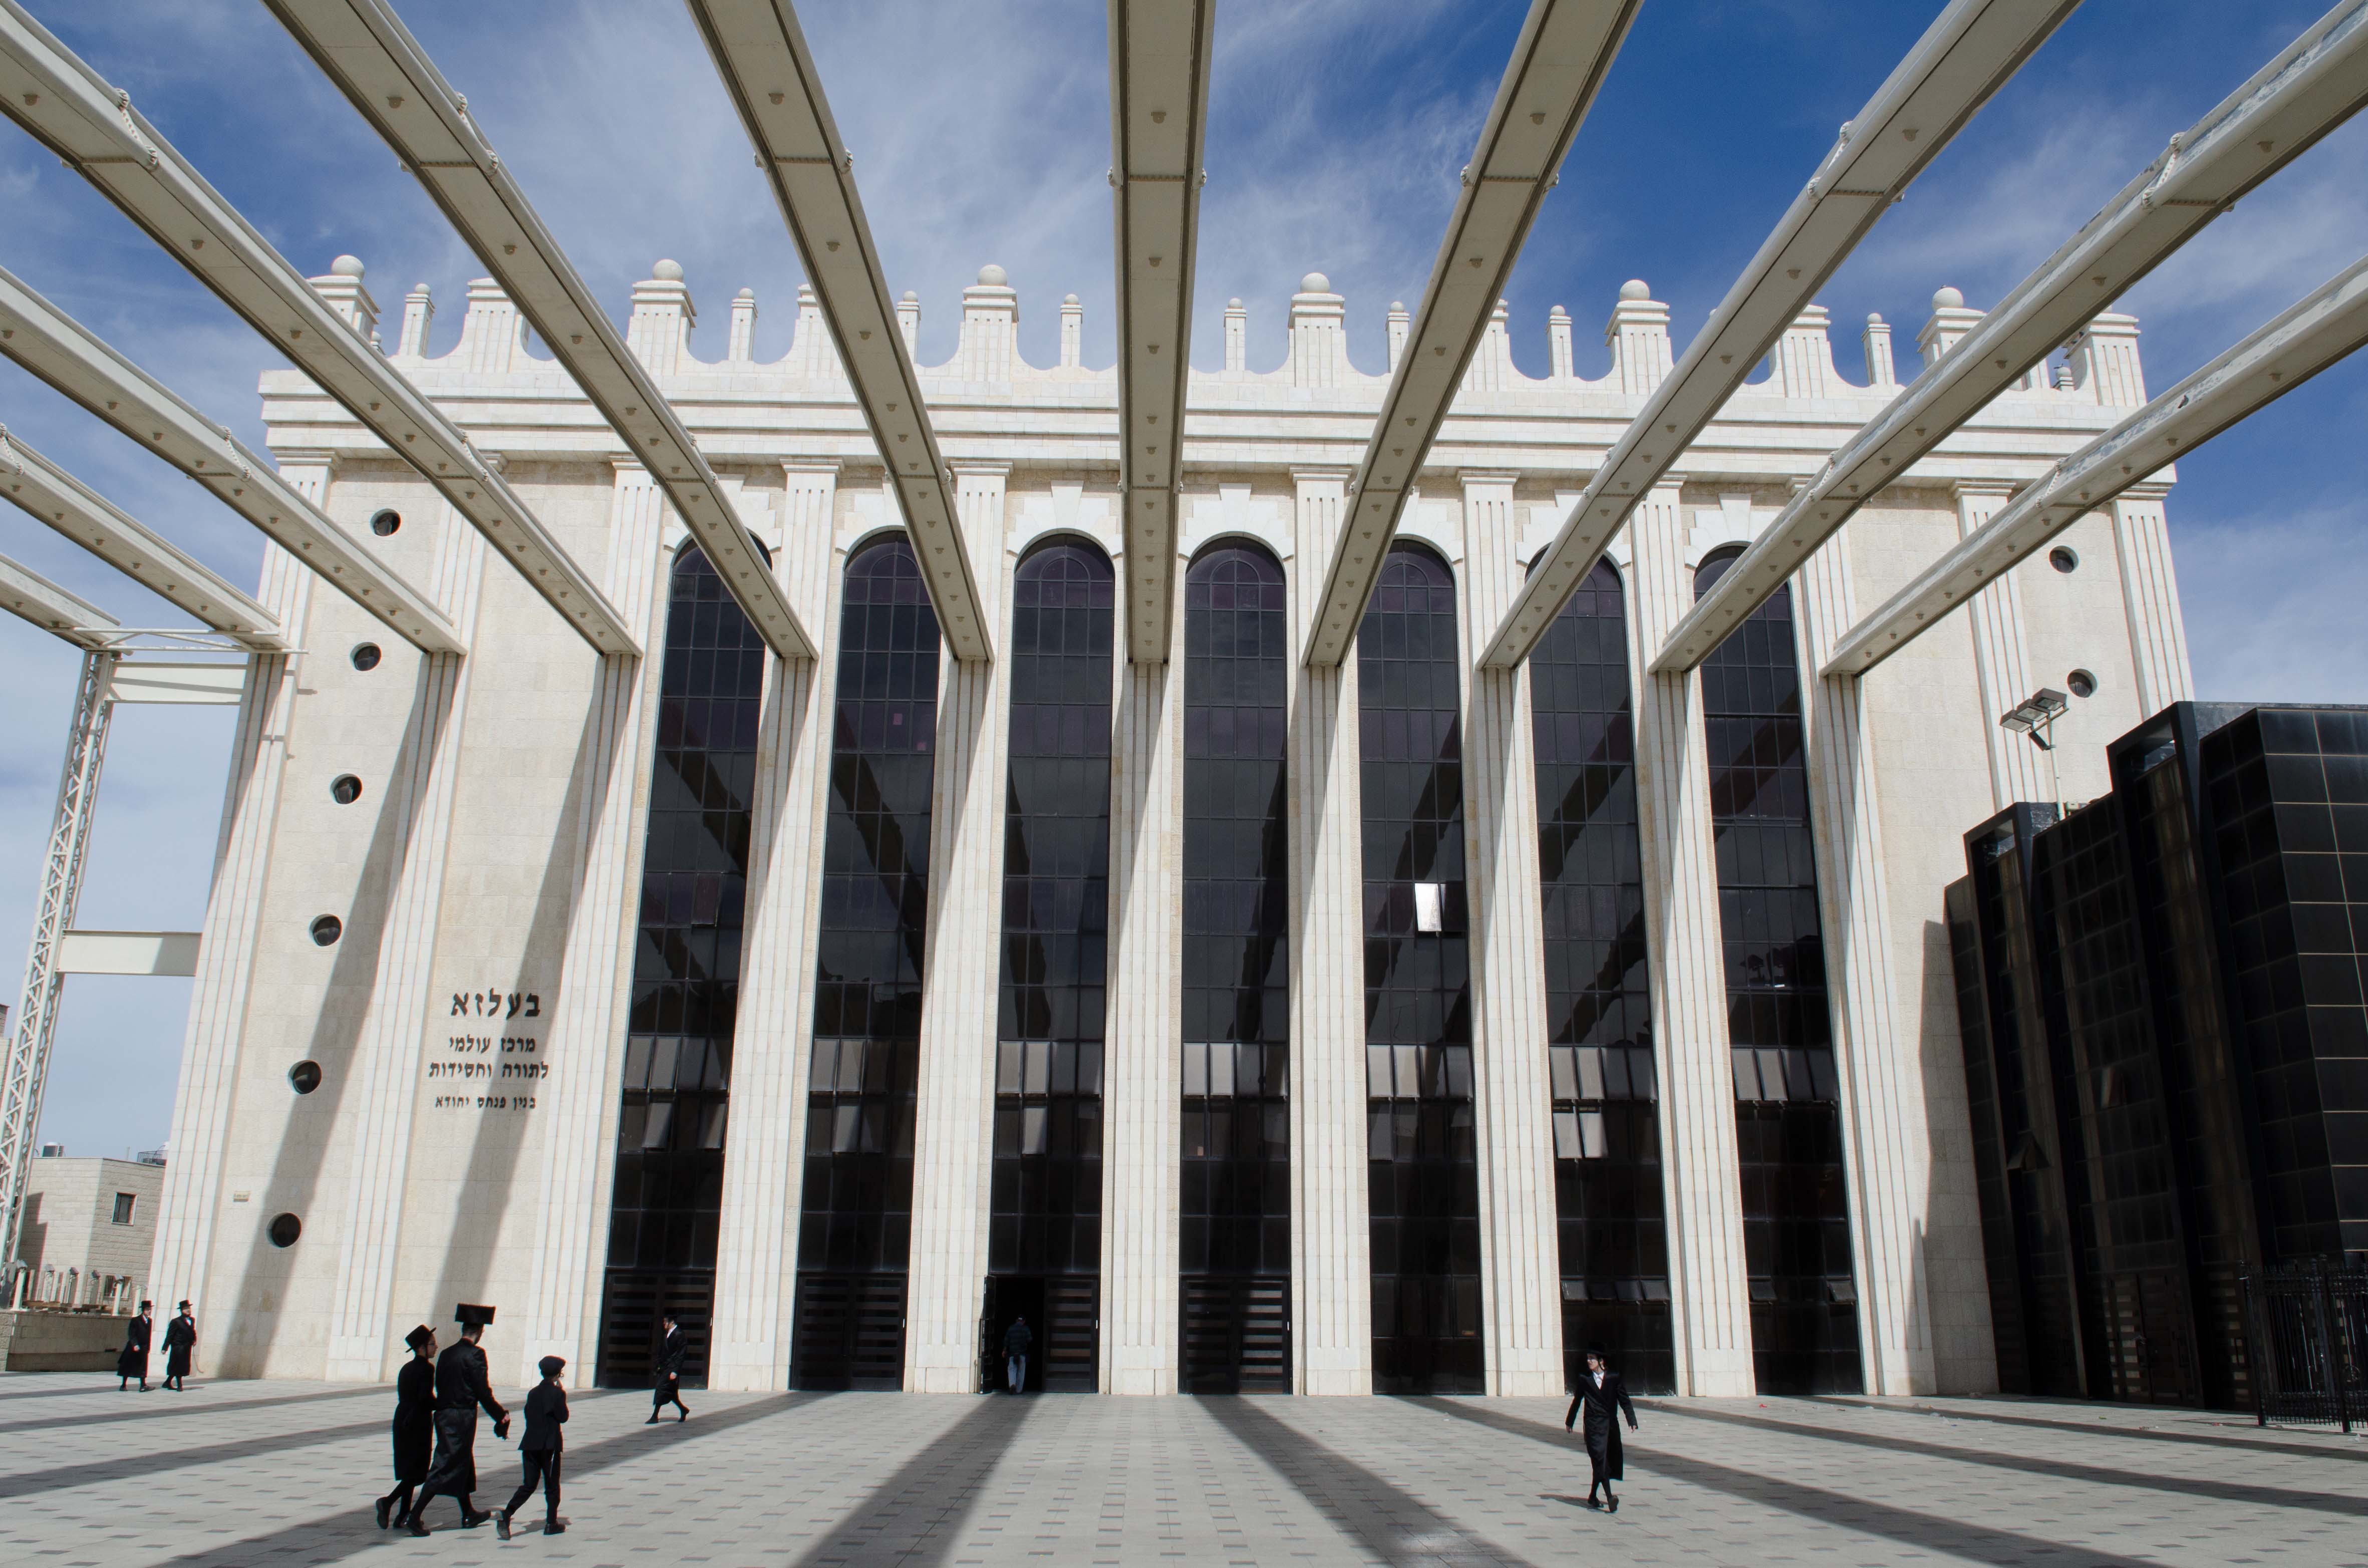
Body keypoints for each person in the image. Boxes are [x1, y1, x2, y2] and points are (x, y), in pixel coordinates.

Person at [405, 1303, 508, 1536]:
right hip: (460, 1417)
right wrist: (500, 1415)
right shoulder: (476, 1354)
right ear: (480, 1331)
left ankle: (469, 1513)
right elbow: (483, 1391)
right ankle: (415, 1516)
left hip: (444, 1415)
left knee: (461, 1461)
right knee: (444, 1465)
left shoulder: (447, 1354)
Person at [497, 1355, 569, 1539]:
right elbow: (563, 1417)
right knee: (552, 1485)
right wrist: (562, 1396)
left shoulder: (533, 1392)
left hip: (530, 1443)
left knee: (529, 1485)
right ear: (558, 1374)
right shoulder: (557, 1394)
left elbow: (529, 1414)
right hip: (549, 1445)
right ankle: (551, 1523)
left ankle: (507, 1513)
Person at [1564, 1343, 1639, 1513]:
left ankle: (1592, 1496)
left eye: (1592, 1358)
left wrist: (1631, 1420)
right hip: (1592, 1426)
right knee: (1599, 1459)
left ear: (1601, 1361)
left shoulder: (1613, 1378)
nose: (1589, 1361)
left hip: (1610, 1427)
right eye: (1588, 1358)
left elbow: (1624, 1400)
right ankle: (1610, 1497)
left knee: (1603, 1462)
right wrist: (1570, 1421)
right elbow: (1577, 1401)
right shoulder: (1585, 1379)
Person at [376, 1325, 437, 1530]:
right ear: (422, 1347)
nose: (435, 1348)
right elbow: (425, 1399)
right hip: (418, 1421)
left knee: (410, 1469)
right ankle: (388, 1502)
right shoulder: (427, 1368)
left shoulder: (406, 1368)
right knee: (417, 1472)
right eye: (432, 1344)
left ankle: (403, 1514)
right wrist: (447, 1404)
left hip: (402, 1418)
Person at [647, 1313, 689, 1424]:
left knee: (661, 1389)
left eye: (666, 1322)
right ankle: (683, 1410)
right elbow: (661, 1350)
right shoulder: (667, 1334)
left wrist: (675, 1370)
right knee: (671, 1393)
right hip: (665, 1367)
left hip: (672, 1368)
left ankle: (655, 1416)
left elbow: (681, 1354)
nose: (664, 1324)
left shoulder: (680, 1334)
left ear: (672, 1322)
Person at [116, 1301, 153, 1392]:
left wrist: (148, 1347)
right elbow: (132, 1334)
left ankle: (143, 1385)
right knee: (128, 1367)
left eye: (150, 1310)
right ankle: (123, 1385)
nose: (150, 1312)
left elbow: (148, 1335)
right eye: (148, 1310)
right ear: (143, 1310)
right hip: (134, 1348)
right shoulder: (136, 1320)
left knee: (143, 1367)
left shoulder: (150, 1321)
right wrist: (135, 1344)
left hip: (144, 1348)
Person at [162, 1300, 196, 1391]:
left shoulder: (192, 1320)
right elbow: (170, 1335)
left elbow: (193, 1331)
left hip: (187, 1347)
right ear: (181, 1310)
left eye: (189, 1308)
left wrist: (194, 1340)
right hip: (178, 1347)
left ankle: (168, 1382)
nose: (188, 1310)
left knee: (179, 1366)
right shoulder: (176, 1322)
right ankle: (180, 1385)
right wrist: (165, 1348)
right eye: (186, 1309)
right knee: (178, 1365)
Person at [1003, 1315, 1031, 1395]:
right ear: (1024, 1321)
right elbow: (1030, 1339)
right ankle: (1019, 1390)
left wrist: (1005, 1350)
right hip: (1022, 1353)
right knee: (1021, 1372)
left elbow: (1006, 1340)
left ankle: (1012, 1384)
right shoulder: (1026, 1328)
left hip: (1012, 1353)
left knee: (1012, 1370)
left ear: (1016, 1321)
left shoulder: (1011, 1328)